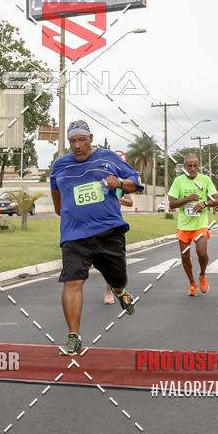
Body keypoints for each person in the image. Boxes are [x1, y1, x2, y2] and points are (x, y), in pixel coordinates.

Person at [51, 120, 144, 354]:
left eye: (82, 140)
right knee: (73, 282)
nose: (77, 146)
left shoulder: (109, 158)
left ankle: (120, 292)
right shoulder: (60, 165)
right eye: (73, 141)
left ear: (91, 138)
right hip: (74, 235)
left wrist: (118, 182)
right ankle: (74, 337)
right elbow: (57, 203)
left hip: (108, 231)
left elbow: (135, 183)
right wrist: (72, 214)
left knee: (118, 278)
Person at [168, 153, 218, 296]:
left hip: (200, 224)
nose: (192, 168)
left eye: (195, 166)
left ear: (198, 166)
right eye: (189, 166)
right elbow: (172, 203)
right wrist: (187, 199)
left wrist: (205, 203)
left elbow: (217, 200)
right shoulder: (178, 181)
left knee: (201, 253)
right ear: (184, 167)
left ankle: (202, 274)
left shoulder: (205, 179)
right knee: (185, 257)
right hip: (184, 226)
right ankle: (192, 283)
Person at [104, 190, 133, 304]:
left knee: (114, 265)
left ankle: (112, 292)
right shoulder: (100, 183)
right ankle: (112, 289)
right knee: (104, 265)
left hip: (115, 227)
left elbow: (130, 202)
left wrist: (115, 199)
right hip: (96, 225)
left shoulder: (119, 183)